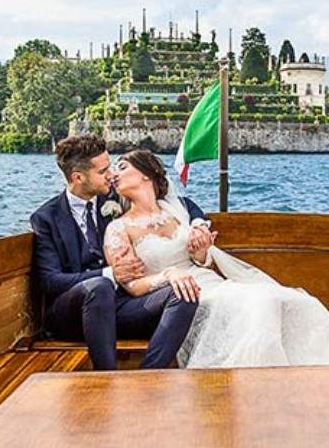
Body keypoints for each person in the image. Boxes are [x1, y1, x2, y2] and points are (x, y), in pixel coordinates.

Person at [106, 150, 329, 368]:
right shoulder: (118, 227)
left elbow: (201, 260)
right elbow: (131, 285)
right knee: (260, 304)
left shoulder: (177, 213)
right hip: (178, 297)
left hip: (211, 282)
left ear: (146, 174)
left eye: (122, 166)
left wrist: (200, 250)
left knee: (287, 298)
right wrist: (167, 275)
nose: (114, 173)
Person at [30, 134, 213, 370]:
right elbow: (50, 281)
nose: (112, 174)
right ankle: (107, 377)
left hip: (122, 305)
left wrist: (198, 225)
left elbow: (182, 203)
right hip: (73, 314)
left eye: (111, 167)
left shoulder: (113, 193)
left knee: (184, 291)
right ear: (78, 177)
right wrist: (110, 274)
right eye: (103, 171)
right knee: (100, 286)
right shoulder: (47, 218)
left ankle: (147, 375)